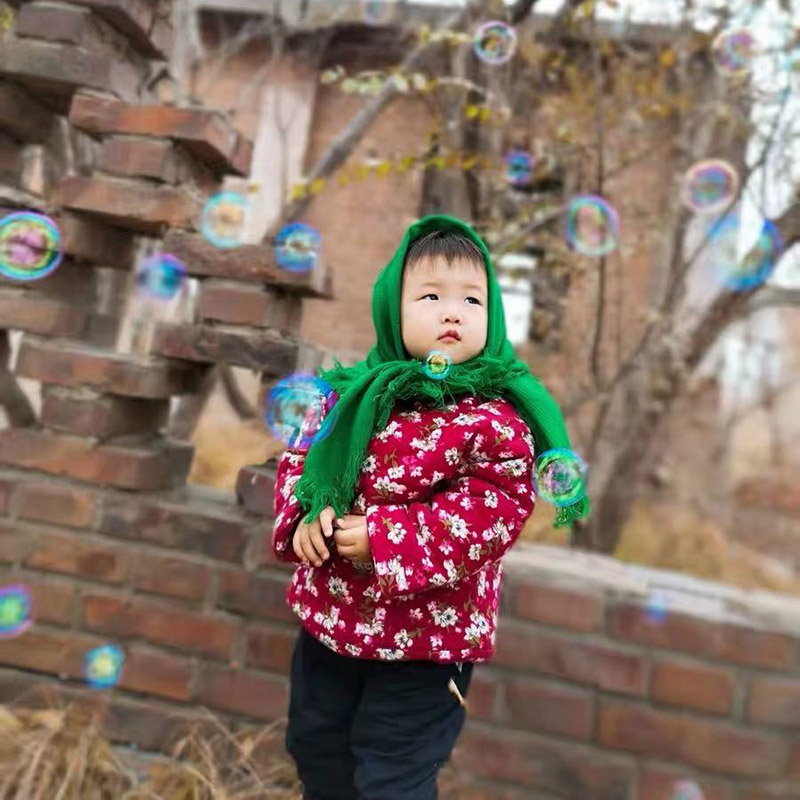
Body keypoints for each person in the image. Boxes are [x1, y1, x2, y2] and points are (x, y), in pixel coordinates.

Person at [271, 214, 588, 800]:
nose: (453, 312)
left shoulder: (495, 419)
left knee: (393, 775)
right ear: (393, 307)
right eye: (432, 296)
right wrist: (303, 519)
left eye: (473, 299)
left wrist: (386, 540)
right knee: (317, 748)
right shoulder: (347, 396)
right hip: (332, 625)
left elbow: (490, 512)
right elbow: (300, 462)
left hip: (425, 646)